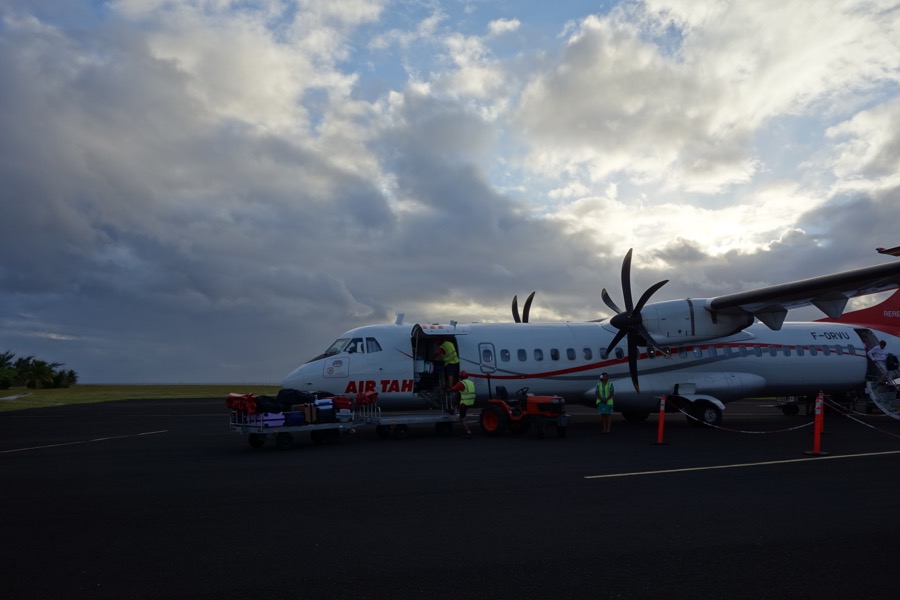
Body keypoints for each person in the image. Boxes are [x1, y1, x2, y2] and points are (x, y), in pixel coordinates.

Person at [449, 371, 475, 438]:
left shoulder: (461, 383)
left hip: (464, 403)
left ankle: (468, 432)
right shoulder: (471, 382)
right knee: (464, 415)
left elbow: (453, 389)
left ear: (460, 377)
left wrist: (448, 388)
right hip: (470, 401)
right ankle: (463, 429)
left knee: (462, 419)